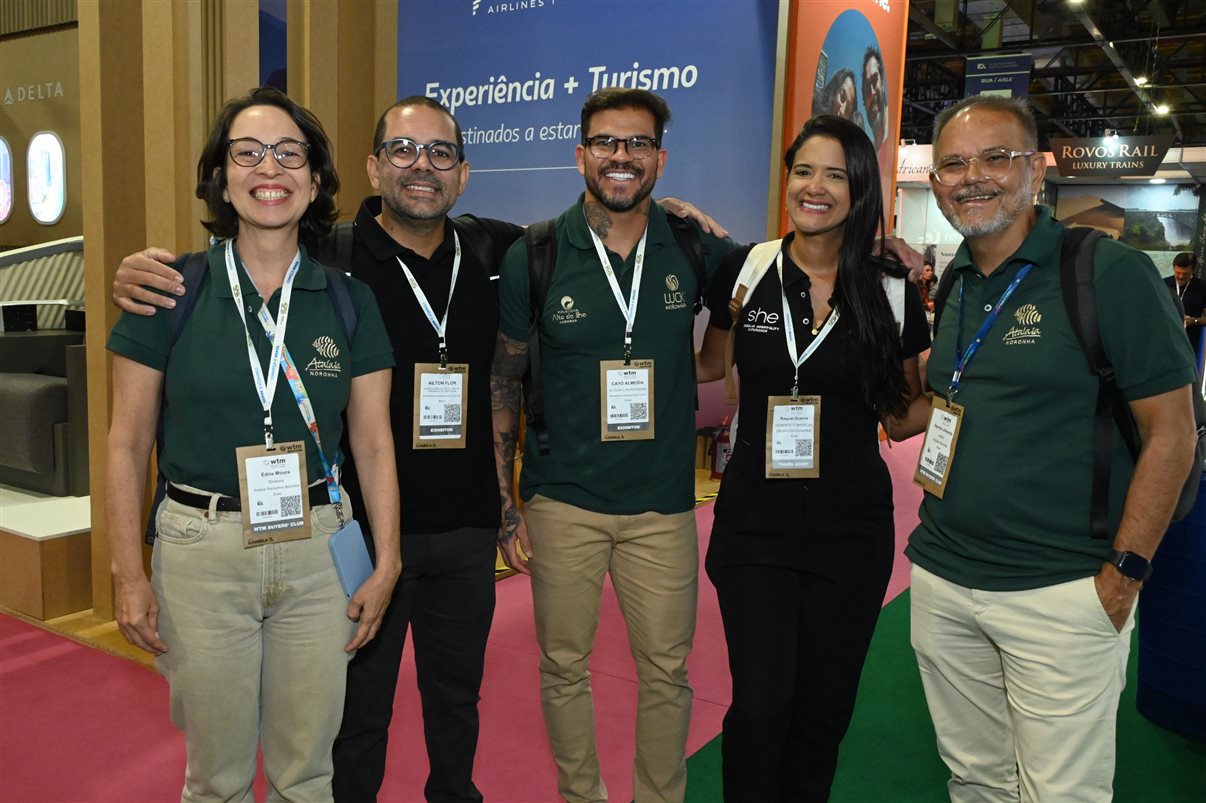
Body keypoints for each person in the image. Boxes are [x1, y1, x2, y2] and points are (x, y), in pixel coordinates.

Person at [111, 94, 726, 803]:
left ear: (463, 174)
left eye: (440, 153)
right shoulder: (328, 257)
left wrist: (666, 208)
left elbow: (599, 221)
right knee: (353, 720)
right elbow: (246, 261)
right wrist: (139, 271)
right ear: (373, 168)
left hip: (463, 529)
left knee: (454, 706)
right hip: (360, 540)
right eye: (403, 151)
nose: (421, 168)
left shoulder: (501, 251)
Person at [106, 86, 400, 801]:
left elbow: (372, 442)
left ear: (318, 178)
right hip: (201, 550)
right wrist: (127, 573)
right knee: (218, 779)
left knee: (308, 773)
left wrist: (387, 559)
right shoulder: (168, 290)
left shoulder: (347, 300)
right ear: (222, 176)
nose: (270, 168)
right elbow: (125, 442)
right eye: (248, 152)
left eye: (290, 153)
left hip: (317, 552)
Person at [907, 94, 1197, 803]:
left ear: (1036, 170)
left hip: (1061, 588)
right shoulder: (957, 280)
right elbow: (939, 400)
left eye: (996, 158)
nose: (974, 176)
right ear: (936, 181)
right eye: (953, 163)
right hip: (944, 577)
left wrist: (1125, 571)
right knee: (975, 776)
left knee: (1059, 792)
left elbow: (1173, 432)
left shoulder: (1108, 273)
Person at [490, 88, 737, 803]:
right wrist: (508, 508)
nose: (620, 156)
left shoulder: (694, 244)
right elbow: (504, 381)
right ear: (581, 154)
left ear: (660, 157)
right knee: (563, 666)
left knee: (667, 672)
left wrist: (882, 249)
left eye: (637, 143)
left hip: (662, 505)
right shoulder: (533, 254)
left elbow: (758, 296)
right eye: (606, 142)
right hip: (563, 501)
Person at [694, 114, 930, 802]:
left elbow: (898, 413)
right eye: (803, 171)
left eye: (835, 174)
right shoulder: (747, 269)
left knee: (823, 713)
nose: (815, 187)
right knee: (762, 705)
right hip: (754, 530)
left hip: (850, 533)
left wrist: (964, 402)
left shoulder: (887, 288)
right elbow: (711, 364)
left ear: (860, 190)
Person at [1166, 251, 1206, 354]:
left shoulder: (1202, 288)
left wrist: (1194, 321)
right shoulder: (1163, 284)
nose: (1180, 277)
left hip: (1190, 346)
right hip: (1165, 342)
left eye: (1185, 273)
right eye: (1177, 272)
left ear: (1193, 270)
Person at [861, 47, 888, 152]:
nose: (872, 92)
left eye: (875, 80)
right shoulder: (871, 152)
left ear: (882, 84)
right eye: (867, 87)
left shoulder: (893, 136)